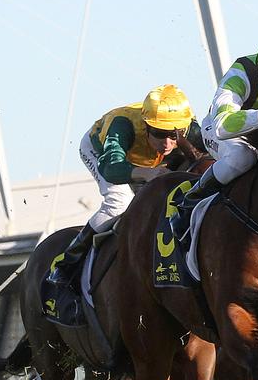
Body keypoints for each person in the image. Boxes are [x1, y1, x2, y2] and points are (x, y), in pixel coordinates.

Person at [47, 84, 201, 288]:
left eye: (174, 135)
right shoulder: (123, 125)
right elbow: (110, 168)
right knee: (119, 202)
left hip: (148, 161)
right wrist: (146, 173)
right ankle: (67, 264)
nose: (167, 143)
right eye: (158, 133)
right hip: (103, 153)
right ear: (146, 125)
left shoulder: (189, 127)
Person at [170, 33, 258, 242]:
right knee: (241, 158)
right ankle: (191, 201)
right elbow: (221, 125)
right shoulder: (240, 74)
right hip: (224, 131)